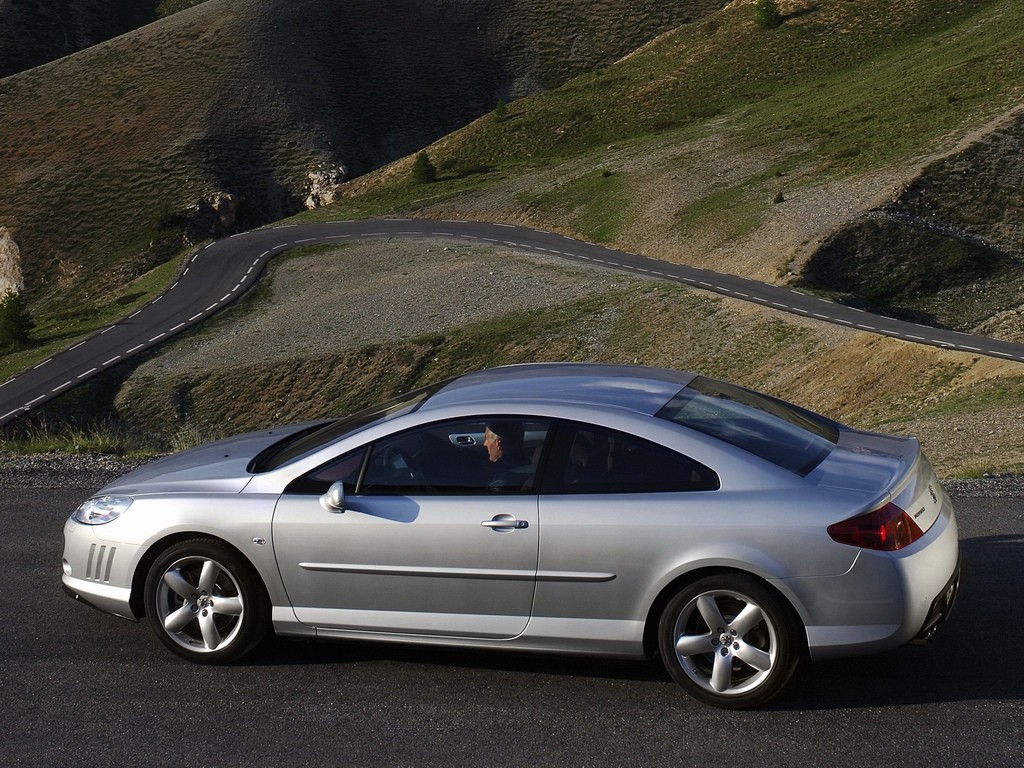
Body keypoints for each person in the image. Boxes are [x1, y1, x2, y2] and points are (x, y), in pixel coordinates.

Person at [482, 419, 534, 490]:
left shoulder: (501, 481)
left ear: (499, 443)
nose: (484, 444)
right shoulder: (528, 465)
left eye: (486, 439)